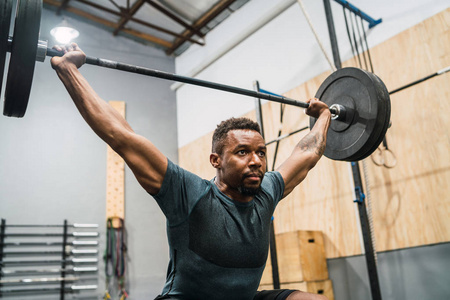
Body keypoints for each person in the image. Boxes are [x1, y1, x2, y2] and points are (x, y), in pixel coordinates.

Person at [51, 43, 331, 300]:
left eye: (261, 152)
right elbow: (121, 136)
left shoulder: (267, 191)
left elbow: (307, 153)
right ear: (216, 160)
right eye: (242, 152)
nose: (256, 161)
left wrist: (324, 116)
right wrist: (68, 70)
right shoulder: (188, 194)